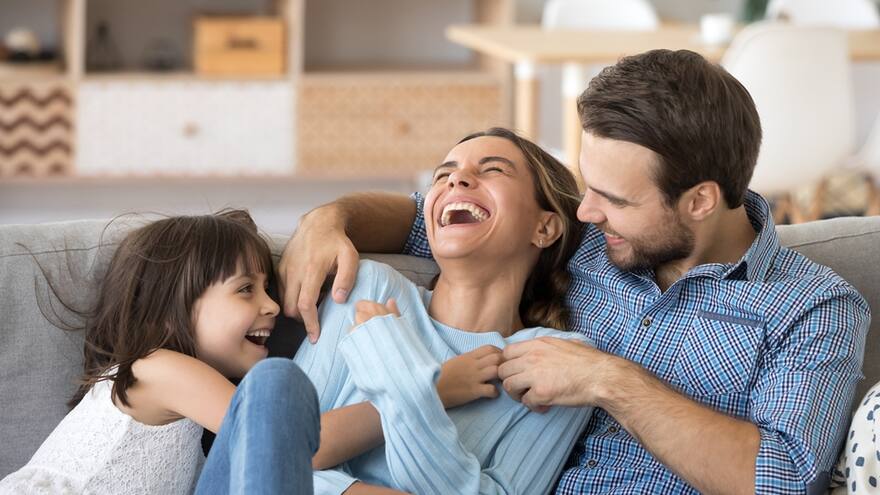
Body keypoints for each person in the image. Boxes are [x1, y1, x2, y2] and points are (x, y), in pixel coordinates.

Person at [279, 49, 871, 494]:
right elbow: (430, 219)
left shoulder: (812, 306)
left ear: (700, 200)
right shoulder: (580, 239)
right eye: (586, 187)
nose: (585, 212)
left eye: (613, 199)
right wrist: (331, 219)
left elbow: (783, 480)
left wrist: (609, 381)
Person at [293, 127, 595, 494]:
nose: (457, 179)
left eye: (493, 170)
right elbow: (273, 453)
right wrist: (434, 390)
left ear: (544, 227)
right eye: (443, 174)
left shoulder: (556, 363)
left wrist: (397, 372)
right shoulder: (369, 288)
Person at [0, 210, 319, 495]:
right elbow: (285, 437)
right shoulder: (158, 369)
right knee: (275, 383)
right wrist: (372, 410)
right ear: (168, 311)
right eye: (246, 289)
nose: (273, 305)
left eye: (268, 289)